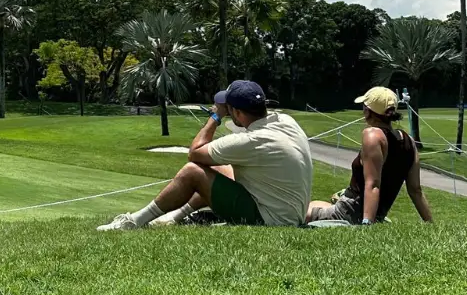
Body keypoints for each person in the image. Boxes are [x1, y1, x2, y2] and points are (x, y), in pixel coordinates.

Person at [98, 80, 312, 230]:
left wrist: (216, 116)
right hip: (290, 214)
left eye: (228, 108)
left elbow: (195, 154)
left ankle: (134, 222)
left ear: (236, 113)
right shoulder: (286, 121)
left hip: (272, 221)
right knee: (219, 169)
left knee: (194, 172)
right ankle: (175, 216)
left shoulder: (251, 141)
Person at [306, 87, 434, 224]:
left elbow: (373, 184)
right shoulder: (409, 141)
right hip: (376, 213)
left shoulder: (372, 135)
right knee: (316, 203)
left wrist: (367, 223)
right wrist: (430, 223)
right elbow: (415, 190)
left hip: (350, 212)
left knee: (303, 212)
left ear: (367, 111)